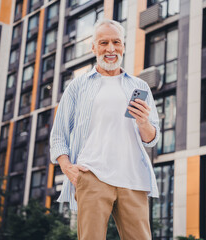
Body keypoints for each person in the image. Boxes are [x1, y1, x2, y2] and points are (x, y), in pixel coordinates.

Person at [50, 19, 160, 240]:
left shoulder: (140, 87)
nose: (110, 49)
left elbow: (152, 139)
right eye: (104, 43)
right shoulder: (77, 86)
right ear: (93, 48)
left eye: (116, 42)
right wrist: (67, 167)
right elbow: (59, 134)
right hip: (92, 175)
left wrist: (143, 123)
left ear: (124, 46)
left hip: (133, 178)